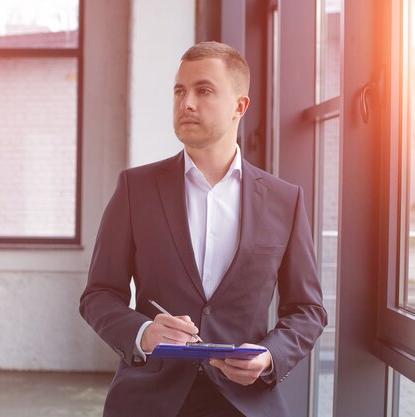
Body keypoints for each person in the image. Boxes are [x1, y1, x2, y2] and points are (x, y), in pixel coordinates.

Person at [79, 41, 327, 417]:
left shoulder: (284, 200)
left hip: (246, 402)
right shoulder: (135, 189)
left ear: (239, 107)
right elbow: (98, 295)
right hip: (148, 400)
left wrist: (269, 355)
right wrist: (143, 332)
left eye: (204, 91)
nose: (186, 103)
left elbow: (307, 309)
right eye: (180, 91)